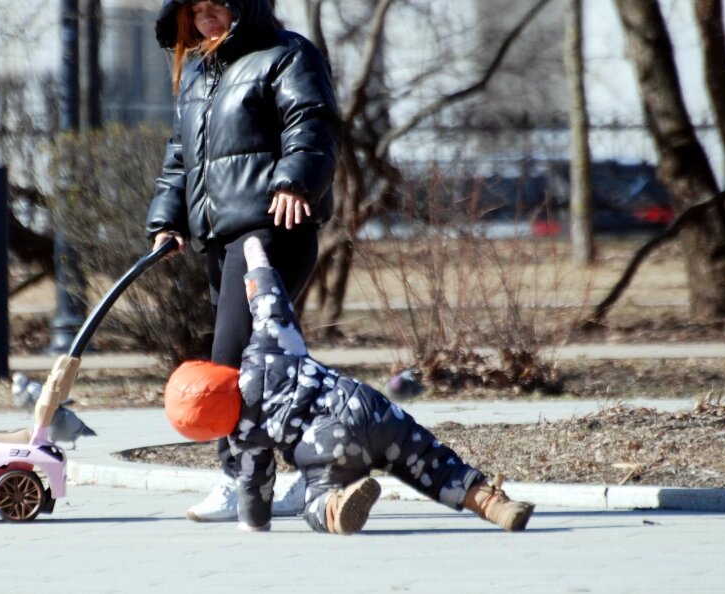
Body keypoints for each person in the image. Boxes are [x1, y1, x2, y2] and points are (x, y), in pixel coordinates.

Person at [163, 237, 536, 534]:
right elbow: (268, 302)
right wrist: (253, 255)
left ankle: (334, 506)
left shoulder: (243, 436)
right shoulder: (265, 351)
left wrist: (253, 523)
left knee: (316, 500)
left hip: (327, 446)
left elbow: (255, 488)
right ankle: (490, 501)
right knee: (430, 462)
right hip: (369, 407)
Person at [146, 0, 341, 522]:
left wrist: (294, 179)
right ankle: (326, 468)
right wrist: (168, 218)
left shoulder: (287, 54)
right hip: (221, 239)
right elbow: (181, 156)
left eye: (216, 6)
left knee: (229, 364)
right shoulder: (199, 73)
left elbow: (312, 121)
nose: (205, 18)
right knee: (274, 368)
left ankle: (237, 479)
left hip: (272, 229)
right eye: (195, 10)